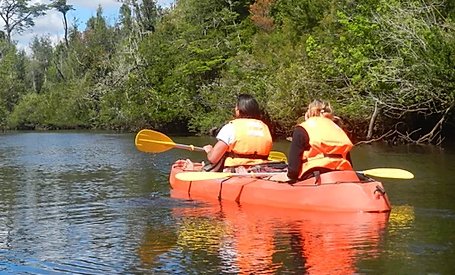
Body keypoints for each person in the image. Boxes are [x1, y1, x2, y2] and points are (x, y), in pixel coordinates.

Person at [285, 99, 353, 182]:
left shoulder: (302, 129)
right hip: (345, 174)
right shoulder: (338, 129)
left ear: (309, 112)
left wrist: (291, 178)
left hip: (315, 175)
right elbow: (348, 160)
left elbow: (293, 169)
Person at [203, 94, 273, 172]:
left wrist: (209, 151)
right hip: (261, 169)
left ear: (239, 110)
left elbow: (213, 158)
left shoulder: (231, 127)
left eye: (236, 108)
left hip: (236, 171)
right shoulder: (264, 127)